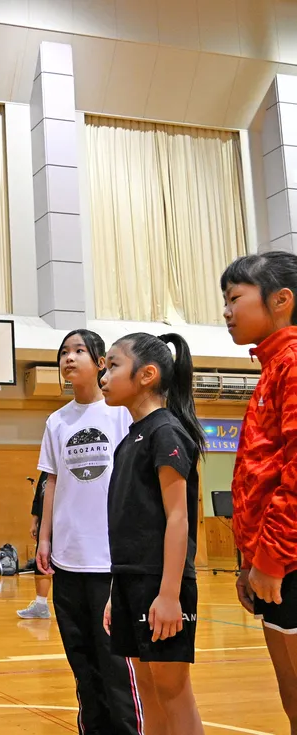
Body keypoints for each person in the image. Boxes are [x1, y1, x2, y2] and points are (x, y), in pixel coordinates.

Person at [35, 329, 139, 734]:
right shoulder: (56, 420)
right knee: (83, 668)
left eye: (79, 350)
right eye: (63, 352)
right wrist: (45, 539)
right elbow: (51, 482)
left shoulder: (119, 413)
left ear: (100, 363)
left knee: (116, 670)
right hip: (68, 561)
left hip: (109, 562)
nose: (69, 358)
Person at [101, 332, 205, 734]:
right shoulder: (130, 438)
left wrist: (169, 593)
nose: (103, 375)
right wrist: (116, 591)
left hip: (160, 585)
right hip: (130, 583)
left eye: (112, 366)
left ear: (146, 374)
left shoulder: (166, 431)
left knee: (172, 690)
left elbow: (178, 518)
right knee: (147, 691)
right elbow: (131, 526)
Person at [222, 252, 297, 731]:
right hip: (270, 561)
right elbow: (258, 477)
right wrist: (249, 561)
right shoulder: (271, 367)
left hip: (289, 559)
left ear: (281, 300)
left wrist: (271, 557)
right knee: (291, 698)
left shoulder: (293, 363)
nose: (226, 311)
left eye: (234, 298)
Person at [17, 471, 53, 619]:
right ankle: (41, 605)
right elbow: (37, 500)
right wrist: (34, 523)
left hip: (62, 525)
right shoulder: (46, 473)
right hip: (45, 526)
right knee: (42, 564)